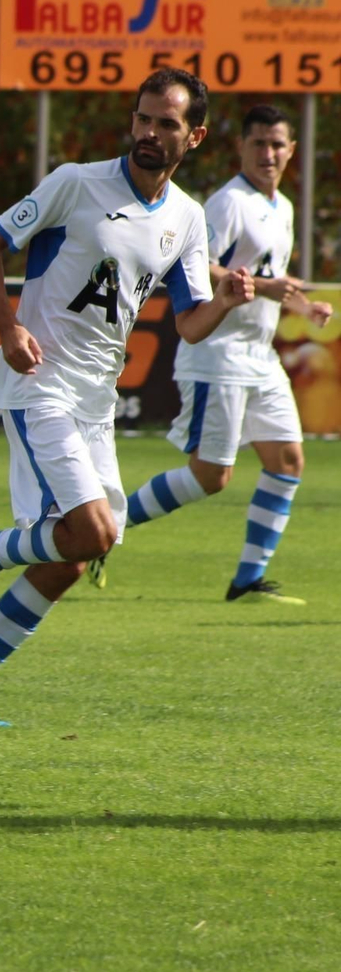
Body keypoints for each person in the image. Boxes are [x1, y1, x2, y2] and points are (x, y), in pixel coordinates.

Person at [0, 68, 255, 728]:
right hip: (40, 384)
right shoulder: (76, 183)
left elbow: (190, 324)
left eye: (167, 124)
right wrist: (7, 328)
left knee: (76, 557)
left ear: (194, 136)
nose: (150, 133)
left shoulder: (188, 219)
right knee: (95, 532)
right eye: (143, 119)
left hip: (95, 400)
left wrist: (223, 302)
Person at [115, 104, 333, 604]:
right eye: (258, 143)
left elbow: (269, 278)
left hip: (260, 356)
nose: (268, 153)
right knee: (211, 477)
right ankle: (103, 525)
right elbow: (194, 263)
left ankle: (248, 581)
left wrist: (304, 305)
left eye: (277, 144)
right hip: (219, 354)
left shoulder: (282, 207)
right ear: (241, 147)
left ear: (291, 150)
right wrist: (264, 285)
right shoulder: (229, 203)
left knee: (288, 460)